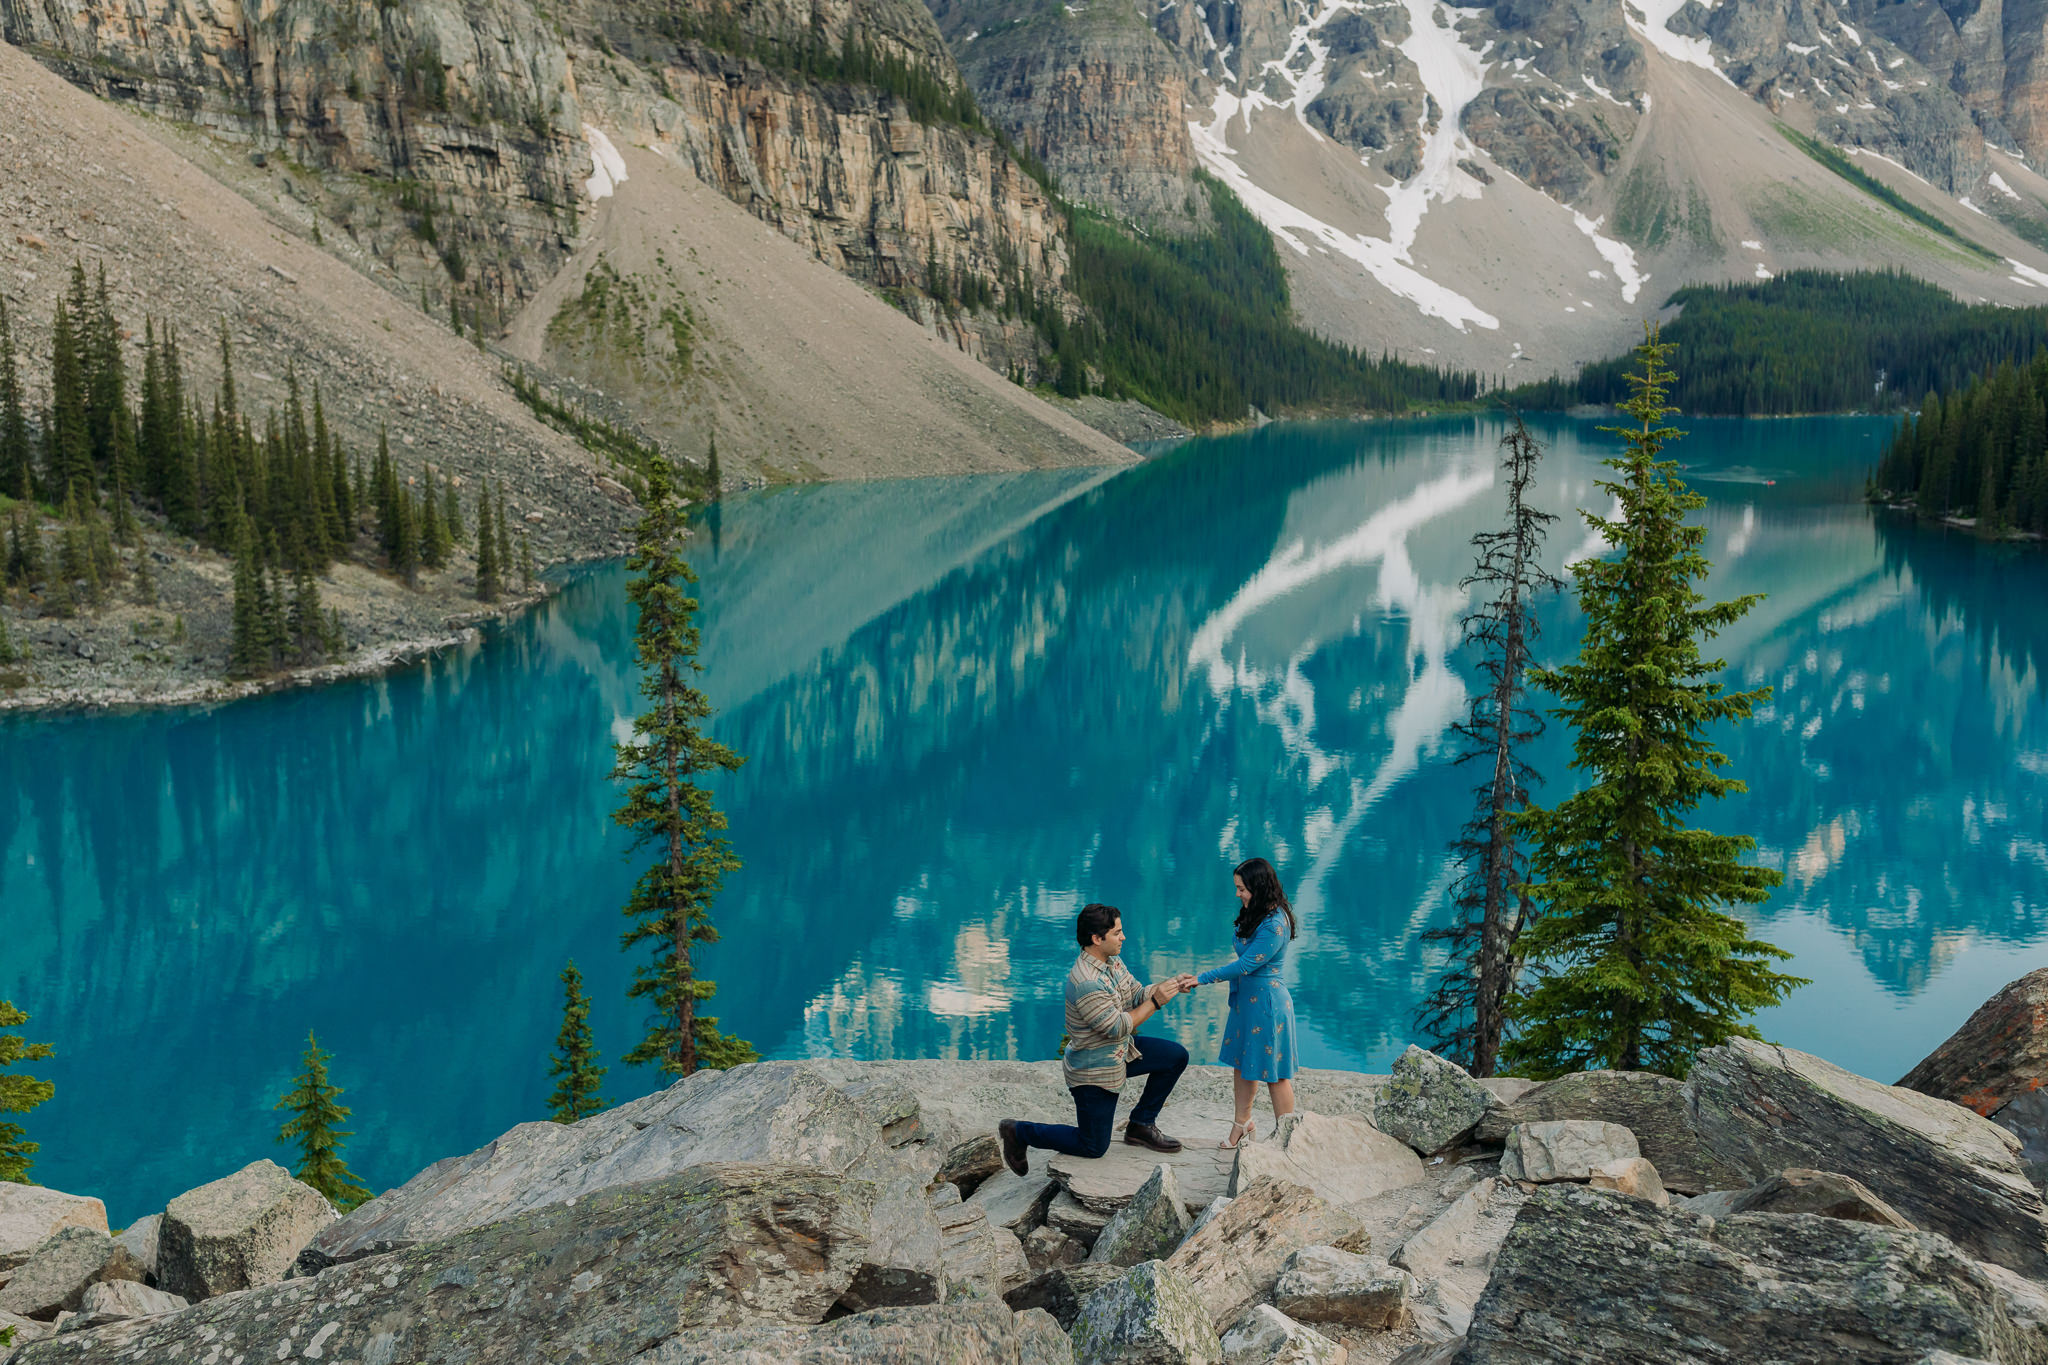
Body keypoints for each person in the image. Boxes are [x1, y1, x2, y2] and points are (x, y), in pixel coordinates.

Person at [997, 902, 1191, 1175]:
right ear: (1097, 939)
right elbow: (1117, 1026)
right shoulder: (1087, 981)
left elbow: (1136, 994)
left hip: (1120, 1053)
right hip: (1094, 1070)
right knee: (1093, 1146)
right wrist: (1157, 1002)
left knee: (1175, 1057)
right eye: (1117, 933)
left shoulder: (1112, 961)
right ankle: (1019, 1132)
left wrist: (1169, 986)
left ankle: (1140, 1126)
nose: (1123, 937)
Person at [1182, 856, 1299, 1148]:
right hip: (1246, 1003)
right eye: (1237, 887)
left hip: (1268, 1005)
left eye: (1242, 888)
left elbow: (1245, 965)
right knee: (1242, 1064)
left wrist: (1202, 978)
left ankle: (1289, 1140)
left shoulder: (1275, 924)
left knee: (1275, 1074)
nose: (1238, 894)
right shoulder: (1254, 911)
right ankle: (1242, 1123)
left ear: (1258, 888)